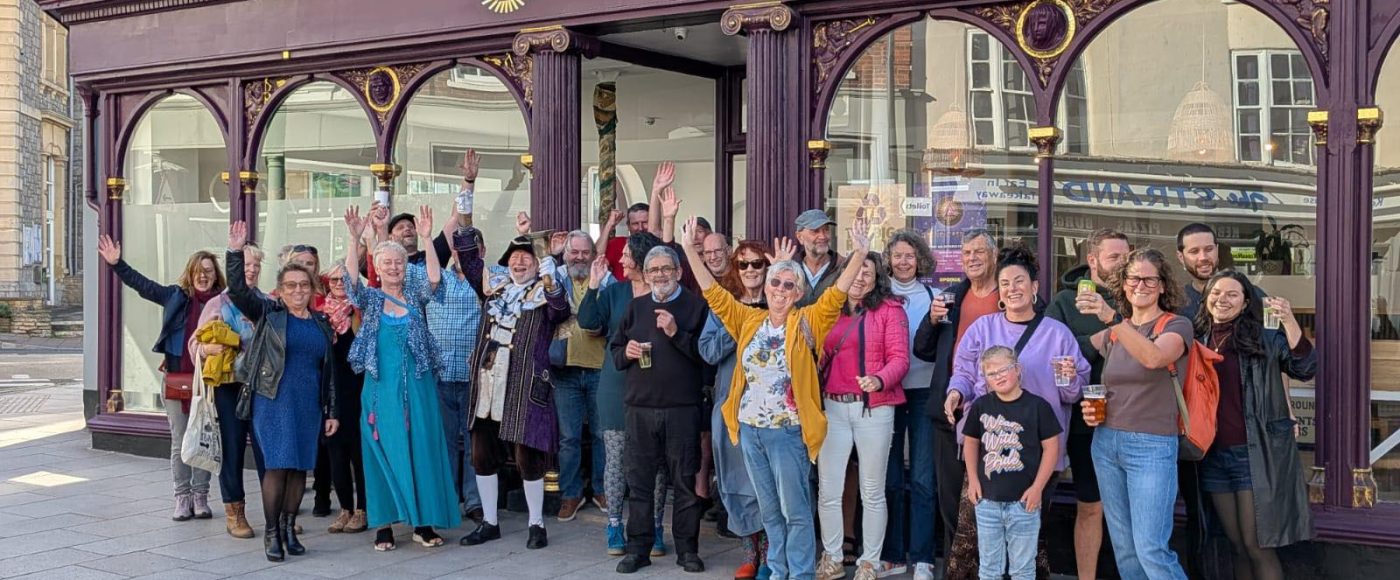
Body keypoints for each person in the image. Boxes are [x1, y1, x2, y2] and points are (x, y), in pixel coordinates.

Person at [689, 215, 871, 580]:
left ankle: (800, 573)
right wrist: (687, 251)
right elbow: (713, 293)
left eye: (790, 284)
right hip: (751, 431)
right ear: (767, 285)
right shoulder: (749, 320)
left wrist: (860, 252)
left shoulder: (809, 320)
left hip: (788, 433)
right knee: (769, 510)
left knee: (796, 511)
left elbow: (836, 294)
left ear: (799, 292)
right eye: (777, 282)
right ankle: (778, 569)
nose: (781, 289)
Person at [940, 244, 1087, 580]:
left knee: (1028, 534)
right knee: (972, 535)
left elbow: (1073, 392)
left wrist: (1066, 375)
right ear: (999, 292)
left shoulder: (1057, 333)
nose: (1012, 289)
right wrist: (954, 394)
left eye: (1020, 281)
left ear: (1035, 288)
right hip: (988, 445)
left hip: (1036, 452)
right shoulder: (982, 328)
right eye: (1005, 283)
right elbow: (962, 371)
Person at [342, 205, 461, 552]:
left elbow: (436, 280)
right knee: (383, 452)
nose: (394, 267)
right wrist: (354, 240)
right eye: (387, 263)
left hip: (420, 387)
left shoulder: (415, 294)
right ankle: (383, 526)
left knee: (421, 451)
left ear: (406, 266)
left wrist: (426, 237)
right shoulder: (372, 299)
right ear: (377, 269)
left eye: (398, 262)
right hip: (381, 391)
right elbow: (350, 283)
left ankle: (423, 524)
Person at [224, 221, 339, 562]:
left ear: (313, 288)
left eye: (304, 285)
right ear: (281, 290)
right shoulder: (269, 313)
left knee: (298, 470)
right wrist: (234, 252)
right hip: (273, 401)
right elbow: (238, 290)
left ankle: (289, 529)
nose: (298, 290)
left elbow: (328, 372)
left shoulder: (320, 322)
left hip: (308, 404)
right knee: (277, 466)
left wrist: (331, 411)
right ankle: (272, 533)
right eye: (291, 286)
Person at [1076, 248, 1192, 580]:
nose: (1140, 285)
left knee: (1151, 549)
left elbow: (1154, 358)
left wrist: (1113, 319)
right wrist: (1071, 373)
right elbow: (1075, 351)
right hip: (1106, 442)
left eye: (1149, 279)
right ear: (1123, 284)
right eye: (1133, 278)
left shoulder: (1176, 325)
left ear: (1163, 285)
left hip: (1152, 446)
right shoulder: (1116, 331)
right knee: (1125, 549)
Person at [1194, 271, 1316, 580]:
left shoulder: (1264, 335)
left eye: (1232, 294)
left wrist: (1289, 320)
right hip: (1213, 456)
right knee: (1236, 544)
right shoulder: (1196, 336)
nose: (1222, 299)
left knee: (1257, 545)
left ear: (1247, 301)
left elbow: (1305, 367)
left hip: (1253, 453)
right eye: (1216, 292)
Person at [459, 222, 571, 551]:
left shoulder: (544, 294)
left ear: (537, 265)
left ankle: (536, 524)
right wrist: (465, 205)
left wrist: (551, 273)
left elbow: (561, 310)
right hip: (487, 387)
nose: (519, 263)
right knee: (482, 455)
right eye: (514, 258)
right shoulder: (494, 288)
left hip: (523, 388)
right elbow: (468, 262)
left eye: (526, 258)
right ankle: (490, 522)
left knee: (529, 458)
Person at [98, 236, 224, 522]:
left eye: (209, 271)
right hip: (178, 378)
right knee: (180, 439)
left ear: (216, 275)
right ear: (190, 274)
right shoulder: (176, 297)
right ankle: (183, 497)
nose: (203, 276)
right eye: (198, 271)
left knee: (203, 436)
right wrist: (117, 264)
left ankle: (201, 496)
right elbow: (144, 286)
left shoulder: (223, 302)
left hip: (208, 382)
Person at [610, 245, 711, 574]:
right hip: (639, 409)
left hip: (682, 409)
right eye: (653, 270)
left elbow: (707, 358)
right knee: (639, 483)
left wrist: (676, 334)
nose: (660, 275)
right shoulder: (635, 308)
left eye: (666, 269)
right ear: (646, 274)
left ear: (679, 272)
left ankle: (688, 550)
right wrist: (627, 351)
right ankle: (638, 549)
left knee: (684, 483)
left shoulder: (696, 307)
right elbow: (614, 353)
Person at [814, 252, 910, 580]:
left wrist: (880, 378)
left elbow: (900, 358)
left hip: (875, 407)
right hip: (832, 407)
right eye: (856, 270)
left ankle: (869, 561)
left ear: (876, 277)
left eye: (867, 272)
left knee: (871, 490)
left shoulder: (889, 310)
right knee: (829, 489)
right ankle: (832, 556)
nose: (860, 278)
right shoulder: (827, 309)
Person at [912, 229, 1001, 577]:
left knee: (991, 500)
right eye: (966, 253)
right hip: (950, 412)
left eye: (980, 251)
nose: (972, 258)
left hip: (997, 414)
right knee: (950, 502)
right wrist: (932, 320)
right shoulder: (952, 296)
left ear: (994, 256)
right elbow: (923, 349)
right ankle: (957, 570)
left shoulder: (1008, 296)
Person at [577, 232, 672, 557]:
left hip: (655, 385)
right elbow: (588, 321)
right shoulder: (615, 291)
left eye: (627, 255)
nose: (621, 260)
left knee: (656, 463)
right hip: (616, 383)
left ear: (642, 260)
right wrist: (593, 283)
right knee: (616, 461)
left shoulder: (665, 293)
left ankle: (655, 528)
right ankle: (615, 526)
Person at [700, 238, 791, 580]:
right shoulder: (724, 306)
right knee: (738, 485)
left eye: (757, 264)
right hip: (733, 410)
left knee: (769, 486)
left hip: (774, 410)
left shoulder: (781, 304)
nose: (751, 270)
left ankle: (772, 556)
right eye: (744, 264)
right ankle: (751, 554)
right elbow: (707, 352)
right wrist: (735, 325)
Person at [1044, 228, 1129, 580]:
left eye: (1126, 257)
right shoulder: (1065, 301)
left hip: (1134, 417)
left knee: (1133, 509)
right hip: (1084, 419)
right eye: (1114, 257)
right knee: (1091, 505)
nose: (1123, 264)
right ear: (1092, 260)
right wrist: (1099, 338)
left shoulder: (1137, 294)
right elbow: (1050, 353)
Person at [962, 346, 1063, 580]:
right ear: (985, 379)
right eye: (991, 373)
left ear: (1017, 369)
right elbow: (970, 443)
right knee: (989, 568)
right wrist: (973, 481)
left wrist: (1037, 488)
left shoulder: (1038, 406)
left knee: (1023, 570)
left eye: (1004, 369)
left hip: (1024, 503)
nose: (998, 376)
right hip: (987, 501)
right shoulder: (981, 406)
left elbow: (1051, 448)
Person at [188, 242, 267, 538]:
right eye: (246, 265)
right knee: (232, 449)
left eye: (256, 266)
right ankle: (235, 513)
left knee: (267, 450)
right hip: (229, 386)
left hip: (261, 385)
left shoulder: (266, 300)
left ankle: (276, 511)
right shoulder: (218, 304)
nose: (252, 270)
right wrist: (207, 347)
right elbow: (194, 344)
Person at [429, 152, 486, 526]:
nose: (461, 252)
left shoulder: (487, 281)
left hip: (472, 373)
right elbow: (453, 229)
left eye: (470, 249)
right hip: (437, 373)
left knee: (474, 442)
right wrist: (466, 186)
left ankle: (473, 500)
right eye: (458, 248)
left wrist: (470, 187)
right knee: (445, 442)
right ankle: (447, 498)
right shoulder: (434, 278)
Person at [880, 230, 941, 580]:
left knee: (921, 477)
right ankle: (892, 554)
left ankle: (922, 558)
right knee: (887, 478)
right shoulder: (880, 294)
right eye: (898, 255)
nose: (904, 262)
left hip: (923, 392)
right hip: (887, 392)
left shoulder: (933, 295)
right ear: (888, 259)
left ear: (920, 260)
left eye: (910, 256)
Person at [550, 229, 609, 521]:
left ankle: (601, 489)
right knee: (569, 438)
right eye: (574, 252)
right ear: (565, 254)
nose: (580, 257)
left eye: (586, 252)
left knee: (601, 435)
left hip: (599, 367)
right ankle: (570, 494)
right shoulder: (554, 277)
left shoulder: (606, 278)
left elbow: (614, 314)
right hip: (565, 370)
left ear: (593, 254)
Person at [321, 261, 368, 535]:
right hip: (331, 392)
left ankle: (362, 508)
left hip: (358, 391)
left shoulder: (359, 311)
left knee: (358, 453)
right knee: (335, 452)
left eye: (344, 279)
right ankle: (344, 509)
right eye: (334, 279)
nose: (339, 284)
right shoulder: (321, 314)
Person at [793, 209, 847, 307]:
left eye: (826, 230)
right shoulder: (791, 268)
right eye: (815, 231)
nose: (822, 236)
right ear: (800, 237)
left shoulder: (843, 267)